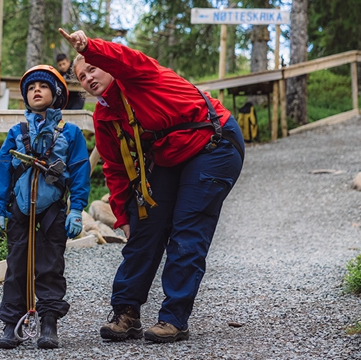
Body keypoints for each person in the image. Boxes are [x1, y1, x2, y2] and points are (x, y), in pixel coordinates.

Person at [58, 28, 244, 344]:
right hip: (170, 155)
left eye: (93, 68)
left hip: (213, 143)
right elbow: (115, 168)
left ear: (107, 66)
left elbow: (124, 58)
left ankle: (174, 319)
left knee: (187, 228)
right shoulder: (105, 115)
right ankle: (126, 314)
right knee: (145, 226)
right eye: (82, 76)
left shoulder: (139, 75)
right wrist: (123, 217)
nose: (88, 78)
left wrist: (89, 47)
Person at [0, 65, 91, 349]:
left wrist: (76, 209)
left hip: (52, 209)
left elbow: (80, 171)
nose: (36, 90)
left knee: (50, 266)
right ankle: (12, 323)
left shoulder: (70, 133)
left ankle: (48, 323)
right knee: (16, 266)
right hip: (19, 208)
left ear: (56, 94)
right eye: (31, 88)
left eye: (43, 86)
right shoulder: (17, 132)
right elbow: (3, 170)